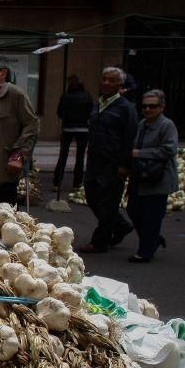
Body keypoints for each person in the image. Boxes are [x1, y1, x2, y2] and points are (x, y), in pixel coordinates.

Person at [79, 67, 138, 254]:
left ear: (120, 85)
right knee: (92, 196)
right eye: (104, 79)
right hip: (95, 162)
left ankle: (100, 242)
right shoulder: (99, 105)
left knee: (108, 203)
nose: (106, 83)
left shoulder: (126, 109)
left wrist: (124, 165)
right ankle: (120, 224)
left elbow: (130, 138)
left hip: (113, 164)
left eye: (111, 80)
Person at [0, 54, 39, 204]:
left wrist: (18, 156)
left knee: (6, 208)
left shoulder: (14, 94)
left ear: (3, 73)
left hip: (8, 163)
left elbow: (32, 125)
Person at [126, 89, 178, 263]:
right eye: (145, 106)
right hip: (140, 176)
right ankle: (153, 240)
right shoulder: (142, 124)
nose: (148, 109)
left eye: (152, 106)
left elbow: (169, 149)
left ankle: (145, 251)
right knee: (133, 210)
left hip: (158, 178)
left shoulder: (167, 125)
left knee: (151, 216)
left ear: (161, 107)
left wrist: (141, 153)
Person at [53, 75, 93, 191]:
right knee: (80, 157)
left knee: (63, 155)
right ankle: (77, 184)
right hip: (83, 129)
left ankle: (57, 182)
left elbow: (59, 112)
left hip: (68, 128)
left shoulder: (65, 96)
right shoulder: (87, 97)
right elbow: (91, 112)